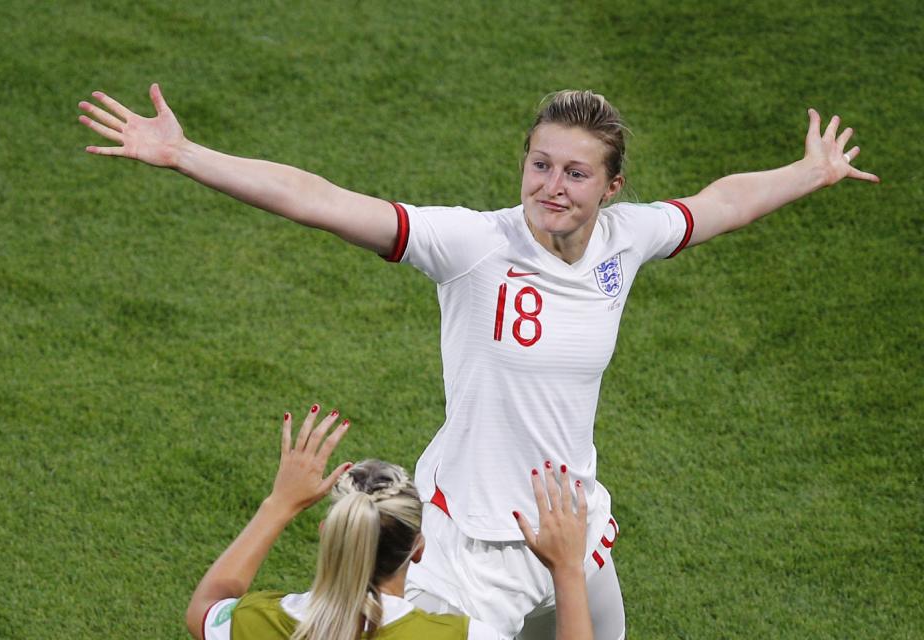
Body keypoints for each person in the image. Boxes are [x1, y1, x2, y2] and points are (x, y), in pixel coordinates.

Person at [79, 87, 879, 639]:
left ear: (612, 186)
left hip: (573, 528)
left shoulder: (626, 241)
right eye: (540, 164)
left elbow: (723, 203)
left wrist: (809, 172)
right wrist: (187, 155)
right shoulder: (470, 246)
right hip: (468, 552)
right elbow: (315, 197)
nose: (551, 187)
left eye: (575, 172)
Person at [186, 404, 592, 640]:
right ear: (418, 548)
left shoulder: (267, 623)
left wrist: (280, 504)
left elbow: (204, 608)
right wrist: (568, 569)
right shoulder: (452, 637)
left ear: (330, 536)